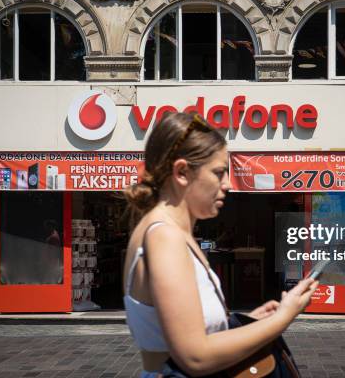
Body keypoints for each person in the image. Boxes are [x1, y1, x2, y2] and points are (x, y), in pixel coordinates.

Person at [123, 113, 318, 377]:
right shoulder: (165, 237)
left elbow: (190, 332)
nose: (227, 184)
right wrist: (285, 316)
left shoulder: (166, 232)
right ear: (182, 172)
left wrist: (248, 323)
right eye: (218, 172)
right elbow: (195, 357)